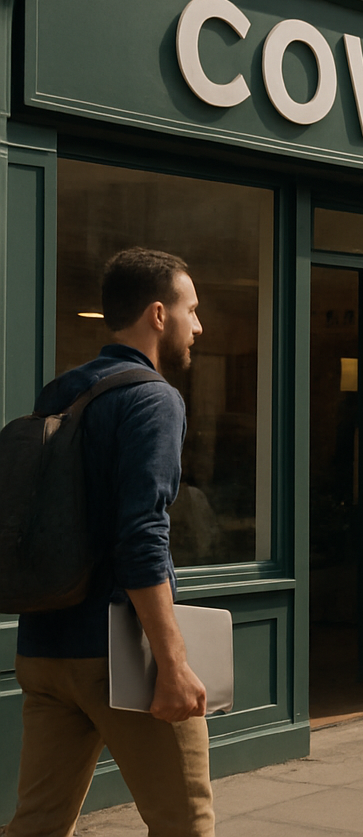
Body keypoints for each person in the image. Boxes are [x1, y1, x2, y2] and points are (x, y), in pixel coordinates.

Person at [7, 248, 214, 837]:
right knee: (186, 824)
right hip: (119, 654)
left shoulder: (61, 394)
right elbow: (142, 535)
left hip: (43, 649)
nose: (197, 326)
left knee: (38, 825)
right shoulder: (153, 398)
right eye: (190, 310)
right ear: (157, 313)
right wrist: (172, 663)